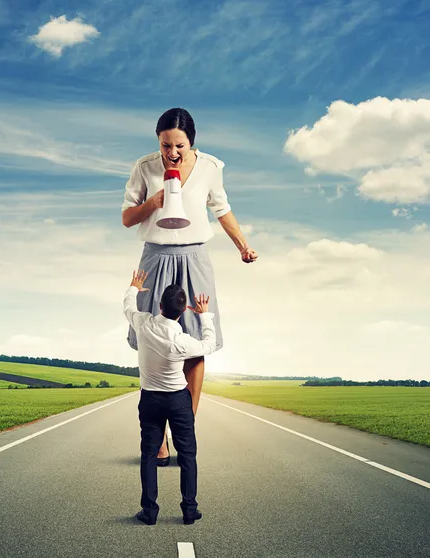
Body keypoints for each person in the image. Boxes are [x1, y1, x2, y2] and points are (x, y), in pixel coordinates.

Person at [122, 107, 258, 464]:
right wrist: (155, 202)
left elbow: (222, 209)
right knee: (153, 343)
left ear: (191, 141)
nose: (172, 153)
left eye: (178, 145)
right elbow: (126, 218)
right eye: (165, 145)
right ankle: (160, 440)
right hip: (155, 257)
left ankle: (185, 430)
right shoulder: (145, 167)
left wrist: (243, 246)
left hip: (195, 257)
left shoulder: (211, 168)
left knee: (196, 342)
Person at [124, 269, 216, 525]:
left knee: (149, 455)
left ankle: (150, 511)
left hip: (150, 400)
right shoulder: (182, 341)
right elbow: (209, 344)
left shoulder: (143, 324)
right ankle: (189, 509)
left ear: (160, 306)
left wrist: (134, 287)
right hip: (178, 401)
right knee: (187, 454)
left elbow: (128, 307)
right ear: (183, 310)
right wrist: (204, 315)